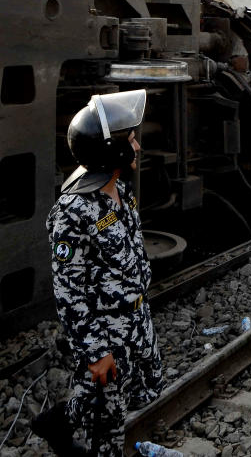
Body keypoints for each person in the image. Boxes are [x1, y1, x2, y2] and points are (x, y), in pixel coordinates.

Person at [36, 90, 165, 457]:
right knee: (108, 427)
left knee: (141, 391)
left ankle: (61, 420)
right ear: (113, 151)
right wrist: (95, 352)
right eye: (131, 140)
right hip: (106, 333)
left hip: (136, 321)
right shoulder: (72, 212)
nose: (137, 146)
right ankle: (75, 431)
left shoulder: (120, 191)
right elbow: (68, 291)